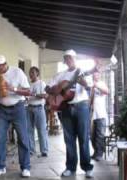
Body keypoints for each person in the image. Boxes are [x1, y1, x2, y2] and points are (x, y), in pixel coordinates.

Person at [45, 49, 94, 178]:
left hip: (81, 106)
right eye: (66, 58)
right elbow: (47, 87)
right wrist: (56, 90)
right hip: (65, 107)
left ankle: (87, 167)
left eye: (70, 58)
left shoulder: (82, 72)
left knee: (83, 138)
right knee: (69, 139)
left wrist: (81, 81)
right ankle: (70, 167)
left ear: (75, 58)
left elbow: (89, 86)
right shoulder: (60, 75)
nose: (68, 60)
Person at [0, 55, 31, 177]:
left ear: (3, 65)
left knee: (22, 138)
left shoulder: (17, 72)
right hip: (2, 109)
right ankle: (0, 166)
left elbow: (28, 91)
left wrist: (13, 89)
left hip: (18, 108)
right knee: (0, 138)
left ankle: (25, 167)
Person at [27, 66, 49, 157]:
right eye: (30, 72)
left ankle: (44, 150)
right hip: (29, 108)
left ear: (37, 73)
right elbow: (27, 96)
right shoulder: (28, 84)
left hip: (39, 108)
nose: (31, 74)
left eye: (33, 72)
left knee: (41, 130)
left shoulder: (41, 83)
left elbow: (45, 95)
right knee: (29, 130)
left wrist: (34, 94)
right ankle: (31, 150)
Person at [90, 71, 109, 161]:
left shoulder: (101, 84)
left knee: (100, 135)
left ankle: (99, 154)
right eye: (94, 74)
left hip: (101, 113)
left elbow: (107, 91)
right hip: (93, 114)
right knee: (92, 135)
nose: (95, 76)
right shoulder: (91, 86)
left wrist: (96, 86)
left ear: (99, 75)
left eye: (97, 74)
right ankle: (95, 152)